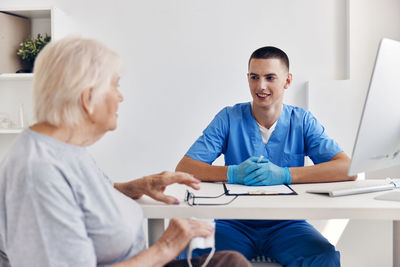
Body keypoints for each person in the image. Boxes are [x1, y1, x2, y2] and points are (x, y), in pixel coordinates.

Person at [0, 37, 251, 267]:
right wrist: (165, 247)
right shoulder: (37, 171)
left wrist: (136, 186)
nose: (120, 97)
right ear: (88, 98)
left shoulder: (66, 148)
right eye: (115, 86)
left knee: (230, 262)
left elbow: (82, 200)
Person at [176, 46, 357, 266]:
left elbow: (347, 169)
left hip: (288, 224)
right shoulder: (229, 118)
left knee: (324, 258)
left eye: (270, 77)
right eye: (254, 77)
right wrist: (232, 173)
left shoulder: (302, 121)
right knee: (192, 258)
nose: (260, 86)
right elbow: (185, 168)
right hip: (234, 222)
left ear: (287, 81)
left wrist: (285, 174)